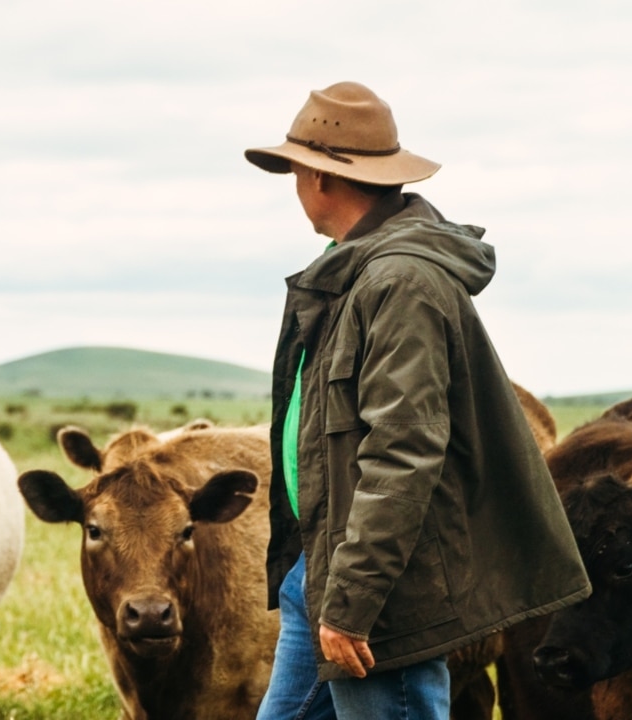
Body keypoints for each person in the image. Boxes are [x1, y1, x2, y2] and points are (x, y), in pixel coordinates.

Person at [244, 81, 590, 719]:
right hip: (322, 569)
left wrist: (354, 600)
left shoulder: (401, 282)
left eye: (295, 167)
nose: (294, 181)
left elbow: (404, 450)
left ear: (319, 177)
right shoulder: (352, 270)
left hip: (377, 595)